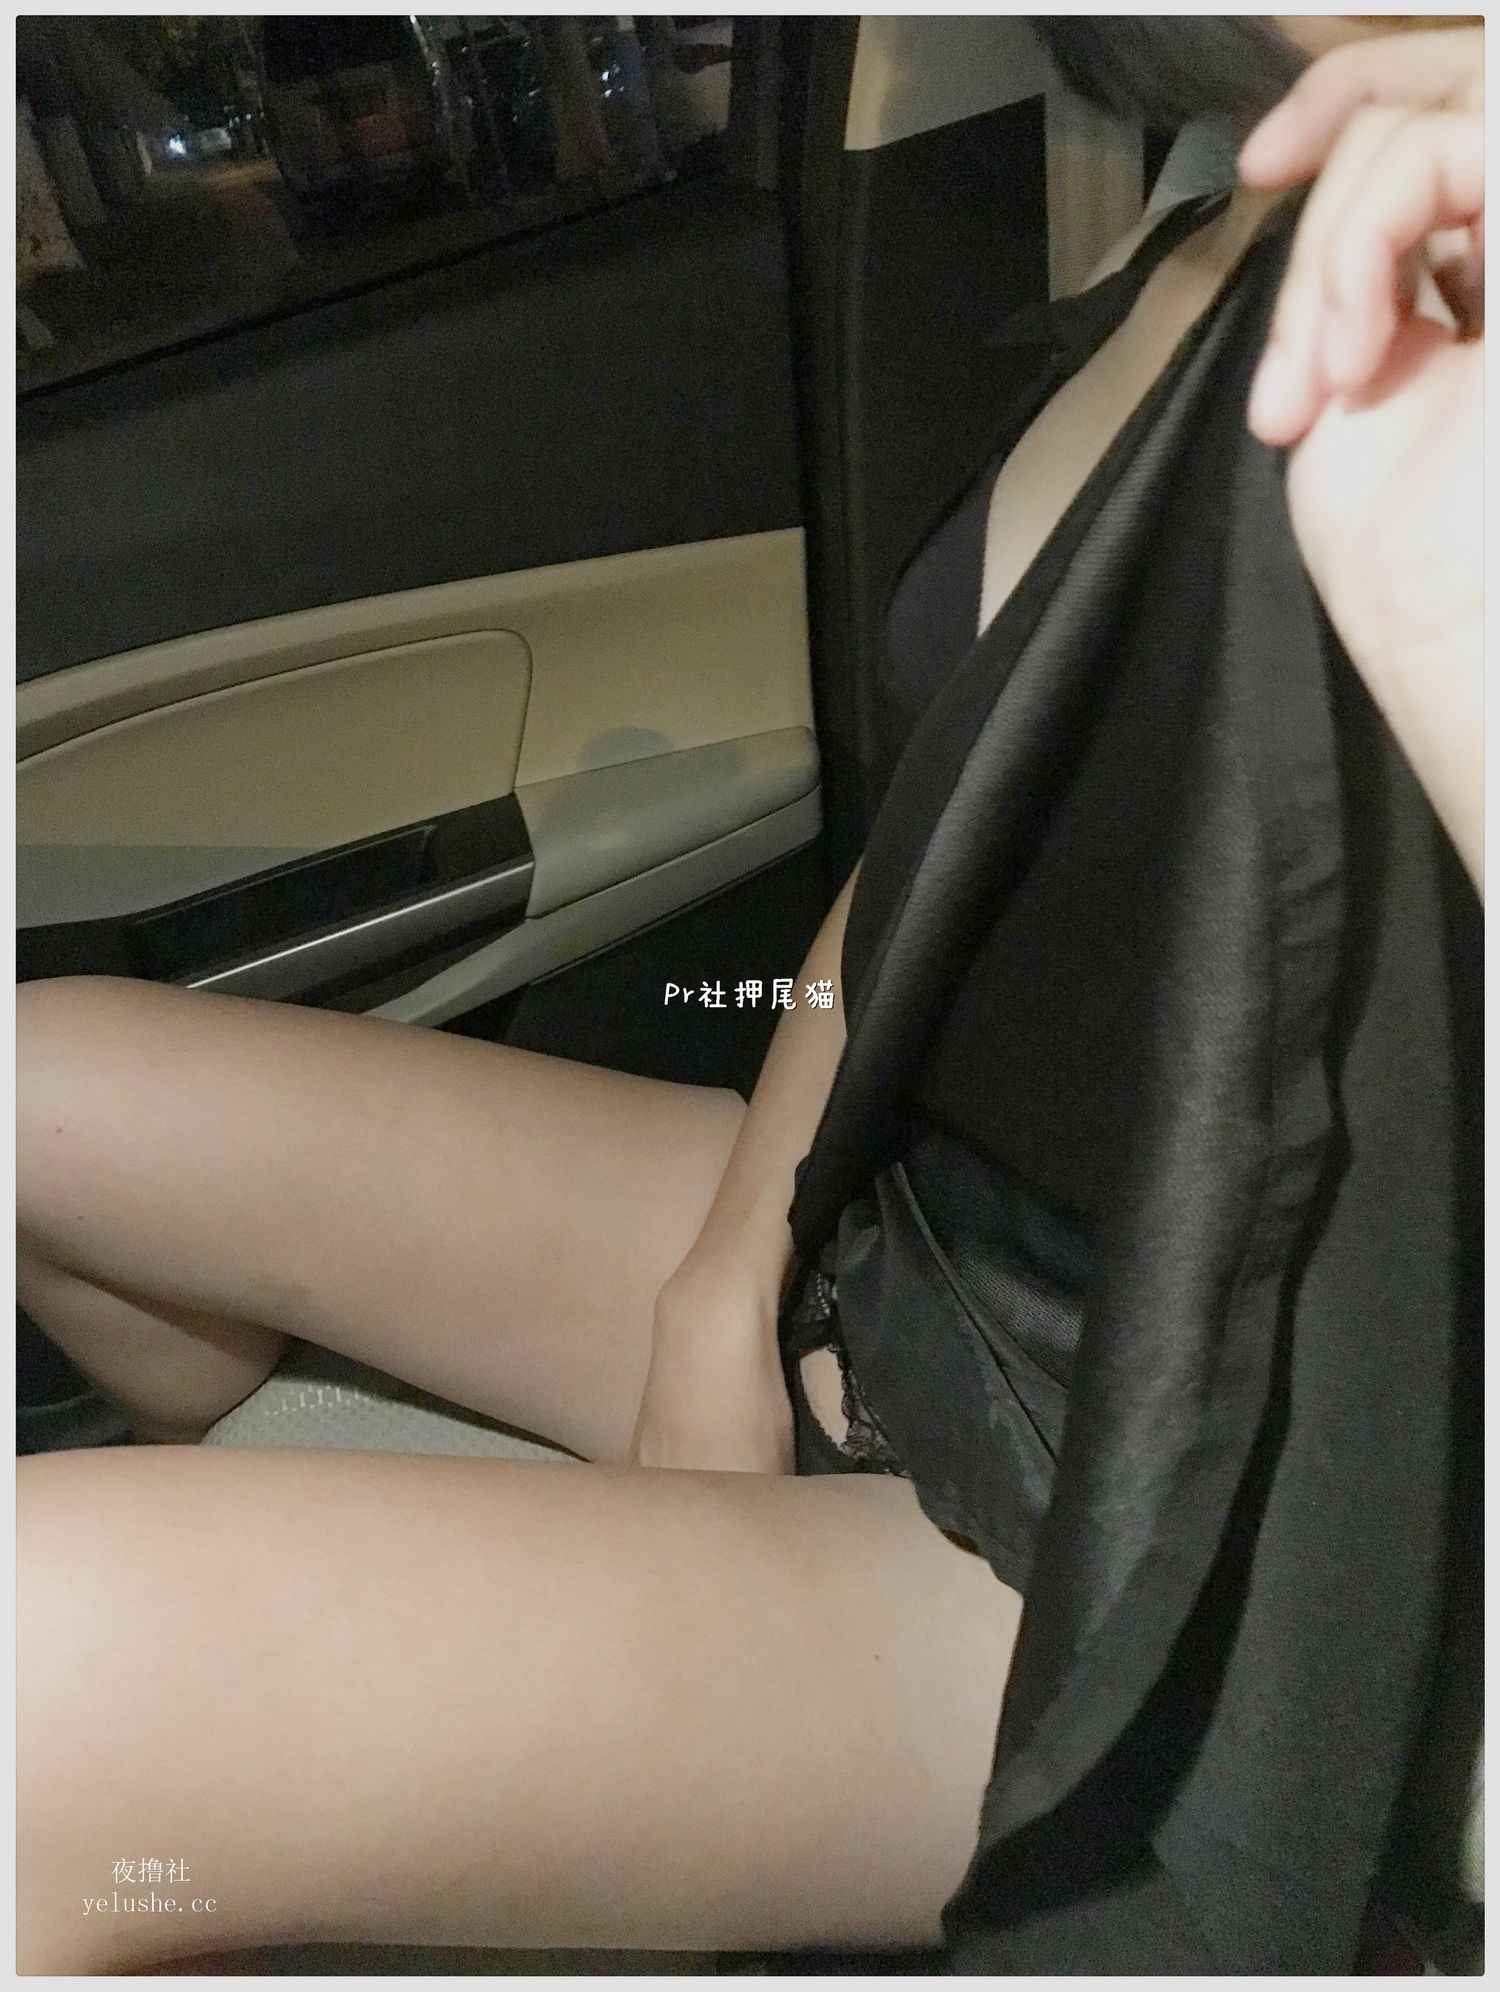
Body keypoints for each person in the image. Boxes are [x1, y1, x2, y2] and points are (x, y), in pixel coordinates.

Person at [16, 18, 1482, 1974]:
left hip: (1156, 1546)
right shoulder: (1254, 206)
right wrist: (726, 1281)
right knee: (39, 1084)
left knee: (33, 1684)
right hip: (900, 1246)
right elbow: (927, 858)